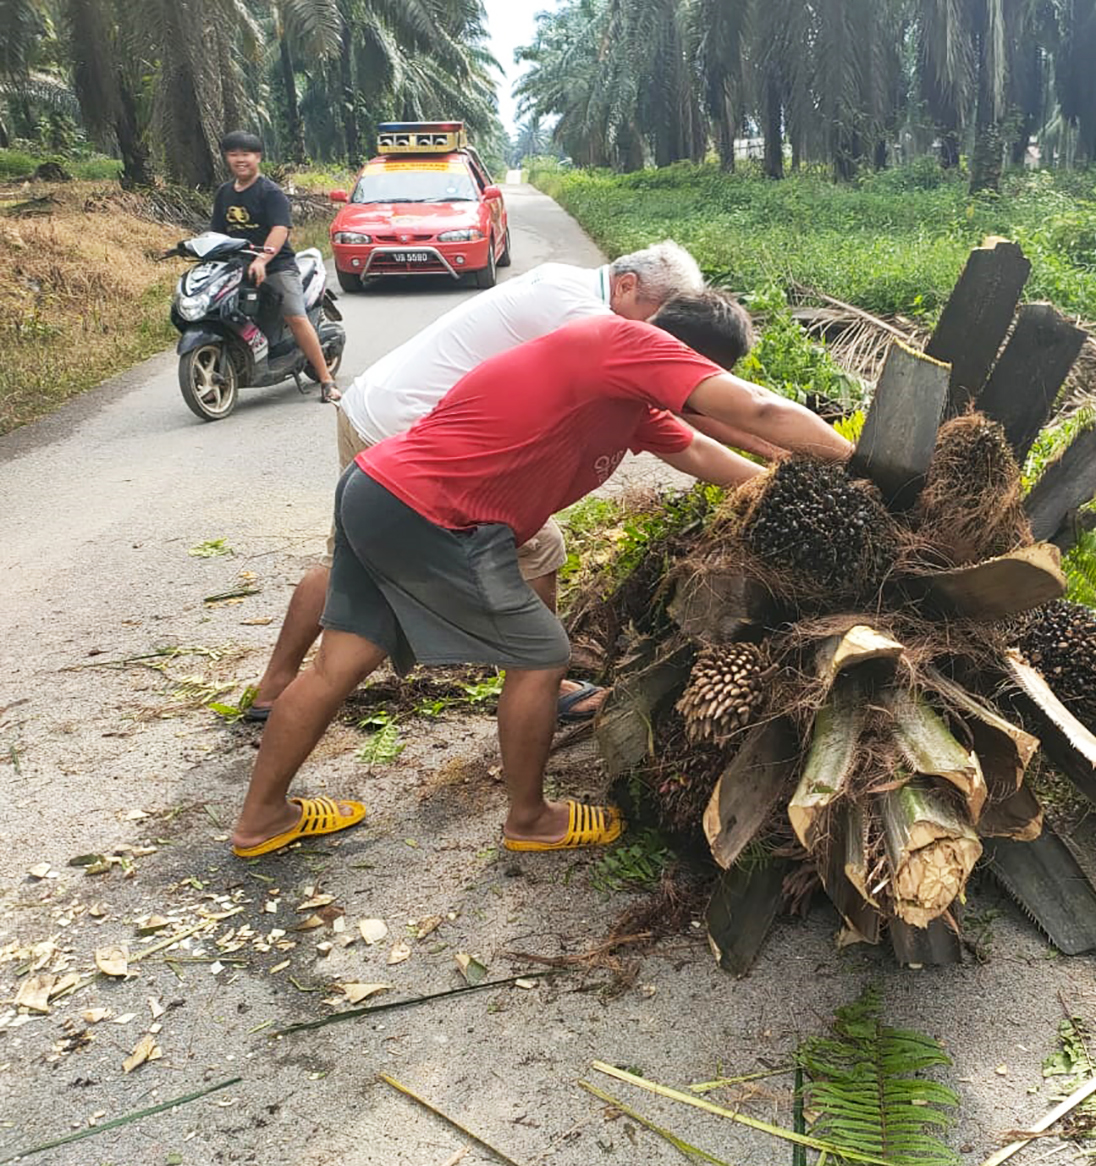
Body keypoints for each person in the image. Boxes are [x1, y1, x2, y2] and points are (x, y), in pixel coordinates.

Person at [229, 292, 852, 859]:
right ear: (687, 357)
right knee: (541, 655)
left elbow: (692, 450)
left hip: (378, 489)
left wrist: (773, 488)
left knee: (338, 664)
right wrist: (860, 467)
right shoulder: (631, 344)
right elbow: (760, 410)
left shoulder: (625, 390)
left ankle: (262, 818)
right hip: (437, 512)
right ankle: (530, 817)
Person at [243, 242, 769, 724]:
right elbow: (689, 403)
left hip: (383, 409)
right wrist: (781, 456)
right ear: (627, 286)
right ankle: (536, 675)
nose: (660, 337)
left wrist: (774, 458)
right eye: (657, 321)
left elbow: (681, 411)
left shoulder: (569, 284)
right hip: (408, 432)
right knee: (527, 548)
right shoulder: (593, 320)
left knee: (357, 559)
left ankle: (278, 685)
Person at [212, 131, 339, 404]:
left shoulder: (270, 193)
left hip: (277, 266)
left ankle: (326, 380)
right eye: (233, 154)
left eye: (245, 154)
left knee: (295, 315)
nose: (240, 159)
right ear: (226, 158)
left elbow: (280, 229)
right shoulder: (224, 193)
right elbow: (217, 234)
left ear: (257, 157)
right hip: (238, 267)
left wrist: (262, 260)